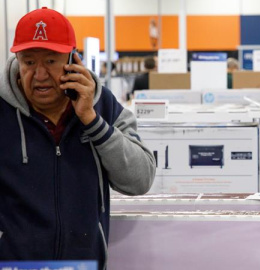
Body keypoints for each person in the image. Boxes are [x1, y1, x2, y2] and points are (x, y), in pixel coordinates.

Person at [0, 7, 156, 267]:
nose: (39, 75)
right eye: (29, 62)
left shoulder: (103, 105)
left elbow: (140, 180)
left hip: (84, 264)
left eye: (51, 61)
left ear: (72, 61)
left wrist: (92, 120)